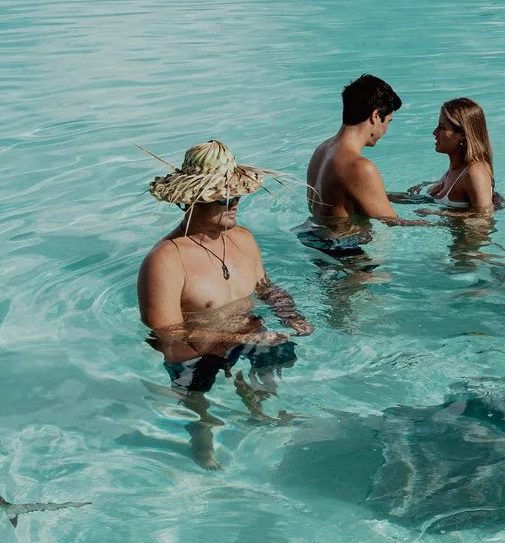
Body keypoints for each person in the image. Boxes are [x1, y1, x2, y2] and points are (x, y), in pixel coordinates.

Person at [136, 141, 312, 467]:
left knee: (278, 356)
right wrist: (236, 341)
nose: (234, 205)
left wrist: (290, 315)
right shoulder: (165, 260)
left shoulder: (243, 238)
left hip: (248, 332)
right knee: (196, 395)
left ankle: (259, 410)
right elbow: (169, 340)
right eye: (224, 198)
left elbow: (265, 287)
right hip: (196, 349)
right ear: (193, 201)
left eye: (237, 196)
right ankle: (201, 432)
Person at [306, 73, 436, 237]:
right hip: (344, 253)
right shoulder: (359, 167)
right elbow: (392, 220)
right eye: (387, 122)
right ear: (375, 116)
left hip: (314, 236)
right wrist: (442, 222)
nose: (385, 130)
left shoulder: (322, 150)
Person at [405, 97, 500, 213]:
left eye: (442, 127)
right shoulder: (454, 170)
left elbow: (484, 220)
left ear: (463, 135)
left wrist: (437, 215)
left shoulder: (475, 172)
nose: (434, 132)